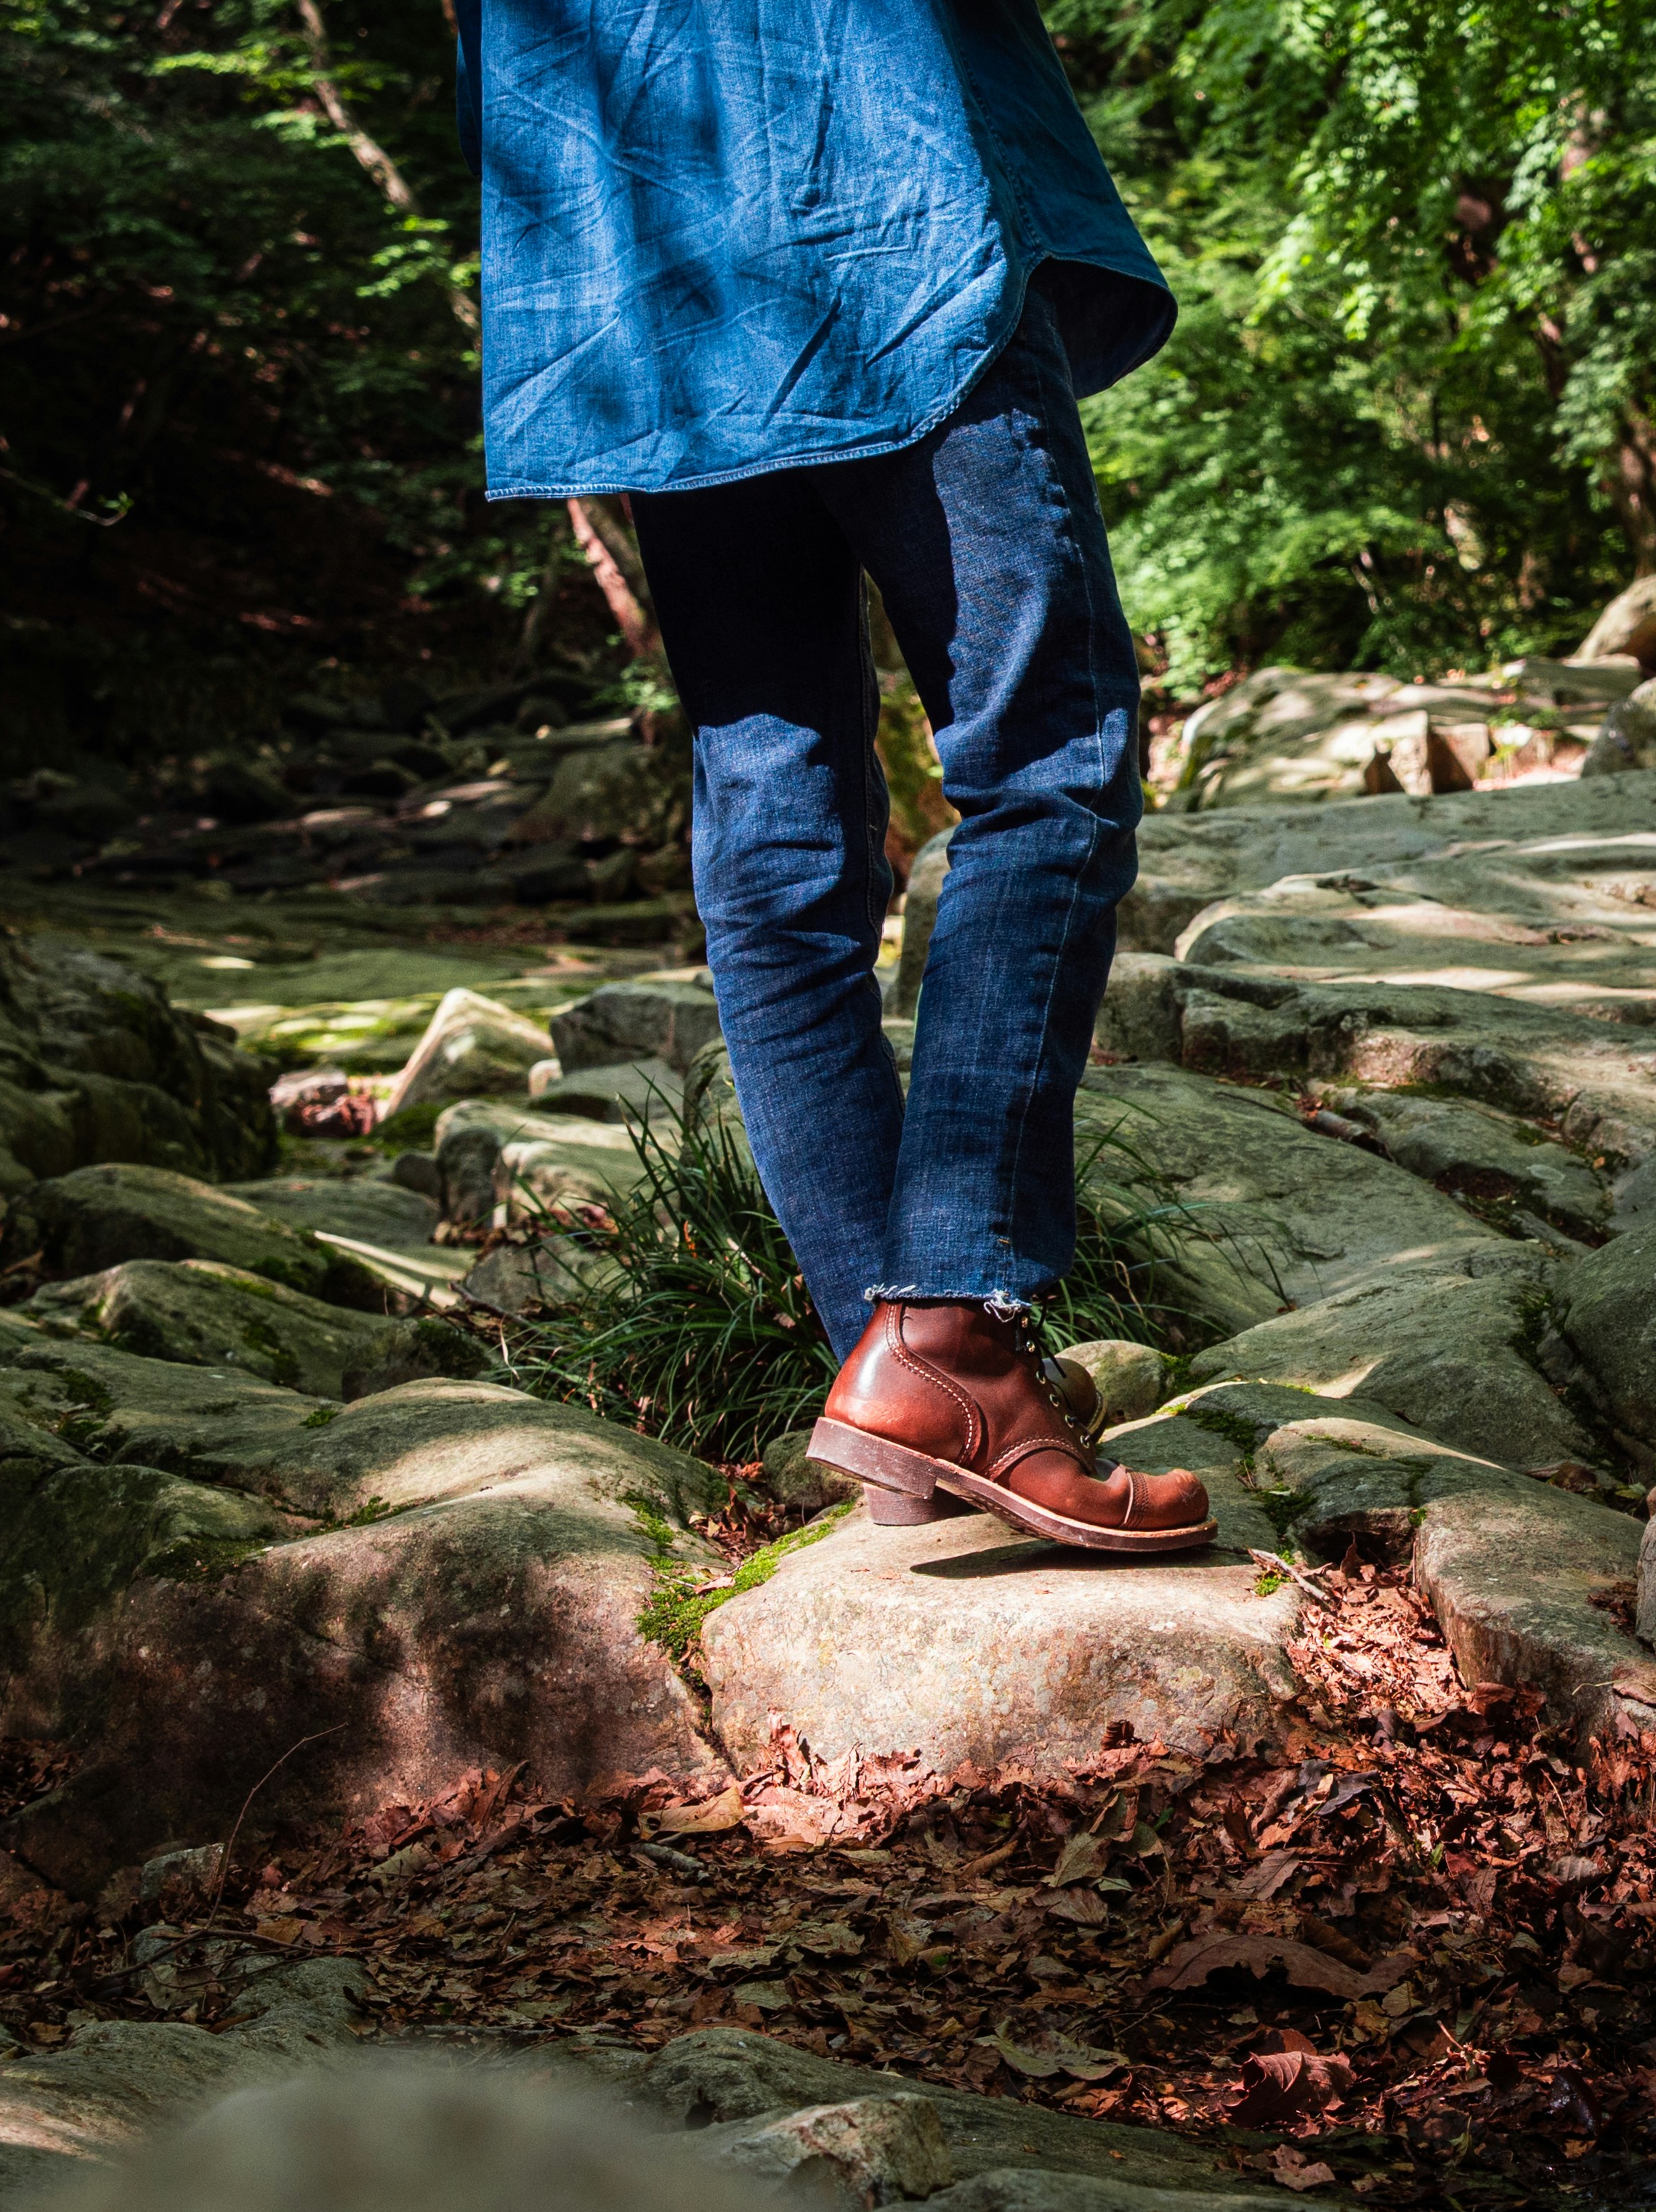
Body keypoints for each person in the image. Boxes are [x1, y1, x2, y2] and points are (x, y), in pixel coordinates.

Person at [461, 0, 1211, 1552]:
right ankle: (944, 1332)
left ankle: (895, 1375)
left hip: (644, 254)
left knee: (775, 833)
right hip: (880, 202)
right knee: (1047, 759)